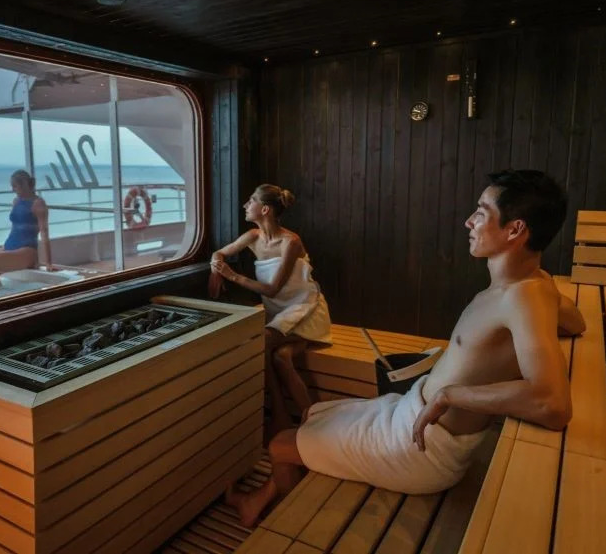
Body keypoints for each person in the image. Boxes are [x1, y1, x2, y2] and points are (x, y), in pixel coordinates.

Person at [226, 169, 586, 527]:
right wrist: (546, 300)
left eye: (481, 212)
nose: (469, 222)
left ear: (515, 230)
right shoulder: (534, 285)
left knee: (280, 445)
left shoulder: (524, 296)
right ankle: (263, 500)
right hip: (412, 411)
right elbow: (577, 321)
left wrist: (449, 395)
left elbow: (552, 404)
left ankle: (283, 521)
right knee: (312, 415)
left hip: (422, 449)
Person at [210, 184, 332, 434]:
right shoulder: (253, 237)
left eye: (251, 201)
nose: (245, 205)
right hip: (279, 316)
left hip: (305, 309)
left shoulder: (291, 242)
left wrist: (232, 276)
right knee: (281, 357)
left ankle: (279, 414)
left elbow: (273, 289)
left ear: (264, 209)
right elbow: (219, 253)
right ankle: (314, 422)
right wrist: (215, 271)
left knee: (262, 340)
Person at [0, 169, 53, 287]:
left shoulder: (38, 203)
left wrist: (48, 263)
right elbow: (15, 228)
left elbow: (44, 232)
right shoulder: (16, 201)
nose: (12, 189)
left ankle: (1, 296)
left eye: (15, 186)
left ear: (24, 185)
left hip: (26, 251)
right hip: (10, 246)